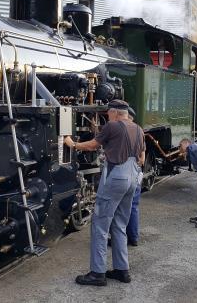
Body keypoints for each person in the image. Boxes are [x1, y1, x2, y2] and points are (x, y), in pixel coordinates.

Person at [64, 99, 145, 286]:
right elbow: (141, 157)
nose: (107, 116)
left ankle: (97, 273)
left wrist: (72, 144)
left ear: (115, 112)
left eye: (108, 112)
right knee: (119, 224)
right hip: (133, 176)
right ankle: (122, 270)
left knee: (100, 224)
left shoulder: (113, 125)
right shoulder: (138, 129)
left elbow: (93, 145)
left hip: (117, 176)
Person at [126, 107, 143, 246]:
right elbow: (142, 159)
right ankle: (134, 238)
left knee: (120, 207)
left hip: (125, 173)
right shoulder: (139, 130)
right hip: (137, 172)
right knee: (134, 207)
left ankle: (119, 238)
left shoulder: (122, 130)